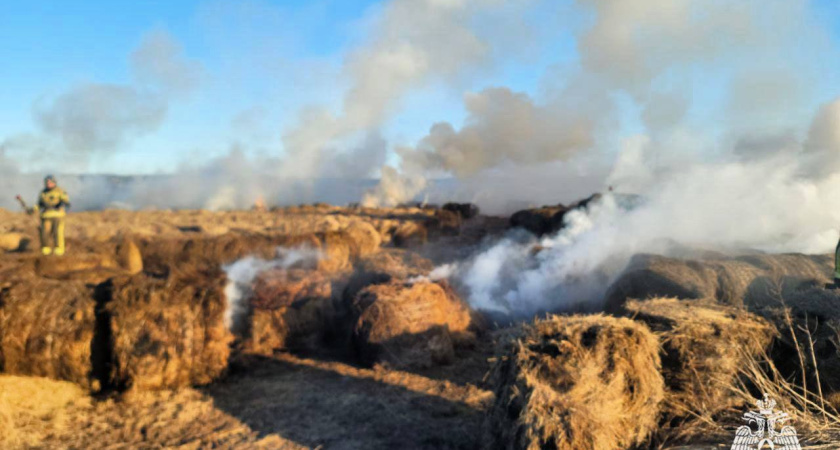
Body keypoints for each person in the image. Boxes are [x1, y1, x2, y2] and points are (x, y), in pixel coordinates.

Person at [29, 175, 70, 256]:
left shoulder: (60, 191)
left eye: (50, 182)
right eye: (47, 182)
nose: (48, 184)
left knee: (58, 233)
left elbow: (65, 201)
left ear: (54, 182)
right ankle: (45, 250)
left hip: (58, 216)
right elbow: (39, 204)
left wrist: (60, 204)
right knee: (45, 233)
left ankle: (59, 251)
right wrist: (33, 209)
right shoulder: (43, 192)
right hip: (45, 216)